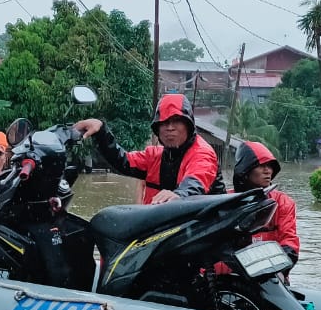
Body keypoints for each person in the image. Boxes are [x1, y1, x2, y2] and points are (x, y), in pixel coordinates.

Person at [73, 93, 223, 204]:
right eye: (164, 123)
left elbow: (196, 182)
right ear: (157, 129)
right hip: (164, 229)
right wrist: (100, 132)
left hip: (203, 231)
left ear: (188, 125)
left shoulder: (202, 153)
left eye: (176, 121)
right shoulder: (153, 156)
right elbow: (123, 161)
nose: (169, 128)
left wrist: (180, 195)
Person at [232, 140, 300, 271]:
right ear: (246, 170)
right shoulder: (227, 201)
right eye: (262, 165)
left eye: (270, 166)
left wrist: (279, 270)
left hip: (272, 274)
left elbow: (289, 241)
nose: (268, 171)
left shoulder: (283, 202)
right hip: (233, 277)